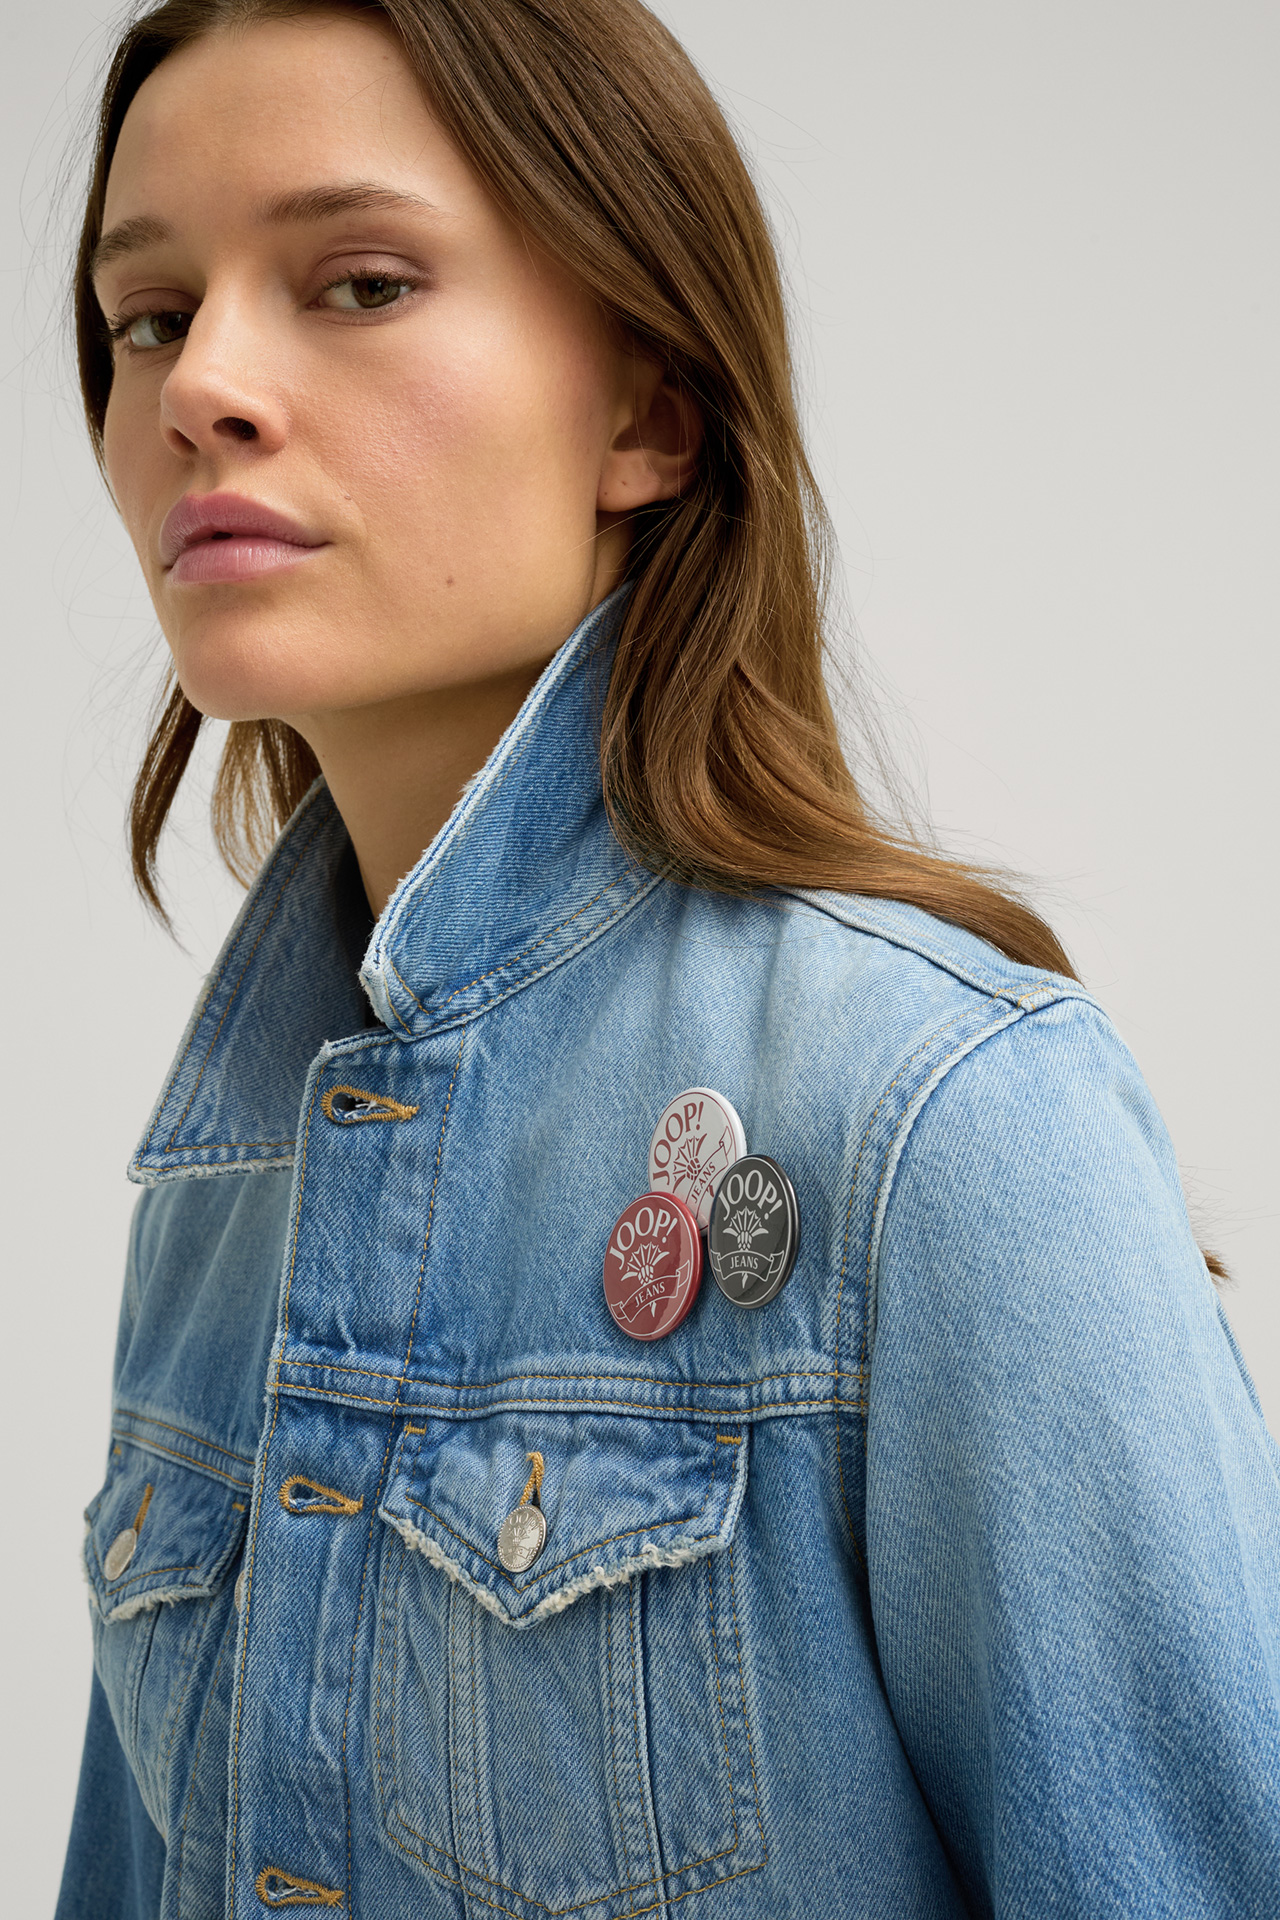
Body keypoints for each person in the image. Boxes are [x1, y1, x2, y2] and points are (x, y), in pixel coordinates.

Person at [57, 2, 1280, 1916]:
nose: (201, 384)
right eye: (148, 316)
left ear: (648, 411)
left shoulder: (942, 1119)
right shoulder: (226, 1184)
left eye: (359, 284)